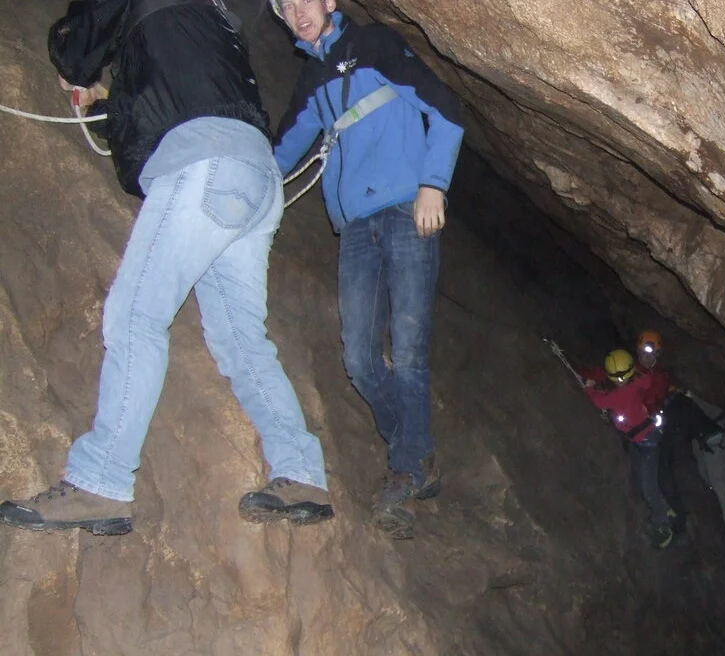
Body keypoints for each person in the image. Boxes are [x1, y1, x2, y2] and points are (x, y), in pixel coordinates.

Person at [0, 0, 333, 536]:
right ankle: (301, 472)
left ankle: (102, 480)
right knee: (243, 342)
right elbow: (169, 95)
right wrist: (109, 101)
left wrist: (79, 73)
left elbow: (79, 43)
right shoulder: (215, 16)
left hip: (206, 166)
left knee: (135, 315)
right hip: (256, 176)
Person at [270, 0, 465, 539]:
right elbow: (282, 151)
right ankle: (416, 447)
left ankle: (402, 473)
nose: (296, 12)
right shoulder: (312, 77)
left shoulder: (376, 45)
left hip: (407, 210)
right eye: (284, 6)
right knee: (358, 357)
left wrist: (433, 184)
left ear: (329, 1)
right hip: (356, 226)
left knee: (407, 349)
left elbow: (446, 107)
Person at [637, 330, 725, 533]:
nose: (647, 357)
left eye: (651, 353)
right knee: (707, 475)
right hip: (698, 434)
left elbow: (692, 407)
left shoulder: (688, 389)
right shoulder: (665, 382)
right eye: (643, 352)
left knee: (718, 478)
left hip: (713, 430)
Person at [581, 349, 677, 549]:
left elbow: (599, 400)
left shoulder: (620, 394)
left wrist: (589, 386)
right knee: (641, 476)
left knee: (647, 486)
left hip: (647, 444)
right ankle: (665, 508)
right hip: (641, 441)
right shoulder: (637, 383)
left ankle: (663, 525)